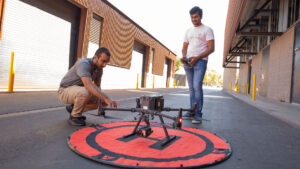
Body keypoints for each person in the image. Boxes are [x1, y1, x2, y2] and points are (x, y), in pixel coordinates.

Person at [58, 47, 118, 126]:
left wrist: (106, 99)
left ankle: (74, 109)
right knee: (86, 92)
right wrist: (105, 98)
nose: (105, 65)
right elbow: (88, 85)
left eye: (107, 62)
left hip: (77, 91)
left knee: (103, 101)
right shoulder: (84, 64)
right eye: (103, 61)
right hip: (64, 91)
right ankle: (74, 116)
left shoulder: (99, 69)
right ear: (95, 57)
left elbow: (97, 86)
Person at [181, 6, 215, 124]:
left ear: (200, 16)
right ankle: (191, 111)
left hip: (200, 61)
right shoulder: (188, 31)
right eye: (192, 17)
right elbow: (184, 47)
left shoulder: (207, 30)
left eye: (196, 17)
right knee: (191, 88)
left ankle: (198, 114)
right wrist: (184, 57)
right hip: (188, 61)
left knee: (196, 86)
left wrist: (198, 58)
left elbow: (211, 48)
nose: (194, 19)